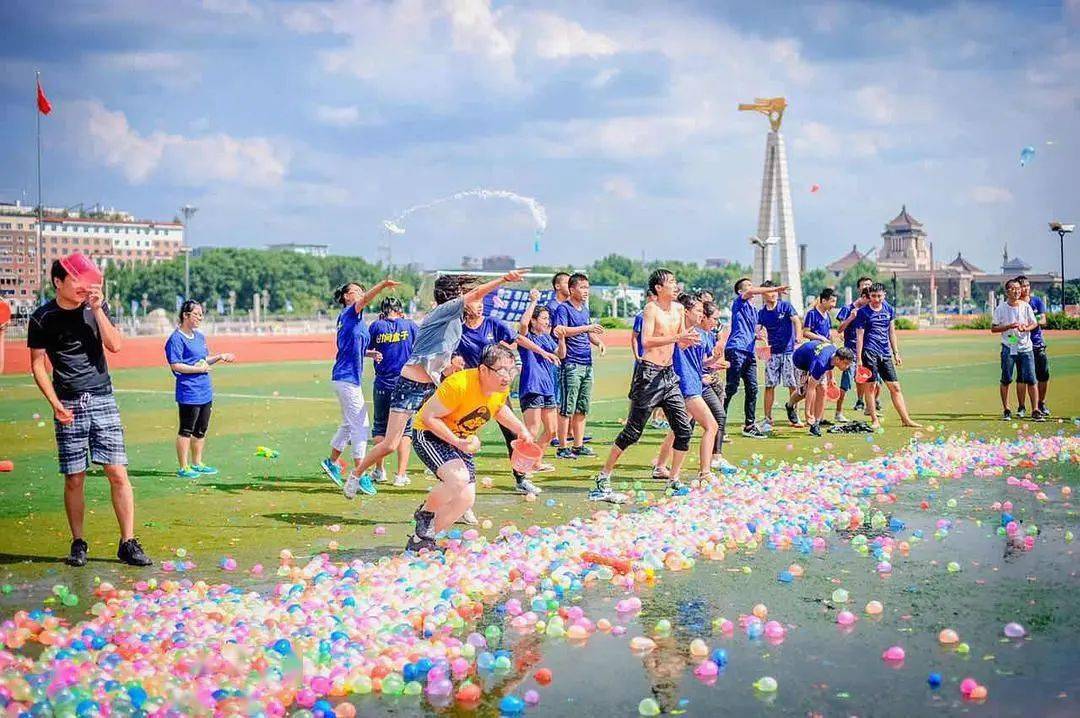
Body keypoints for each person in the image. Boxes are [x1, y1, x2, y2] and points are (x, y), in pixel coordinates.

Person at [342, 269, 527, 498]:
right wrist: (504, 279)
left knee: (453, 432)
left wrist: (450, 366)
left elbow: (438, 357)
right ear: (453, 296)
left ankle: (457, 489)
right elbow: (477, 292)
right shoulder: (444, 310)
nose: (475, 301)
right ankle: (356, 475)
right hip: (410, 385)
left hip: (431, 387)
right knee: (390, 444)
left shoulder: (456, 321)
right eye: (464, 295)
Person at [28, 258, 152, 567]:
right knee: (74, 477)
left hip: (102, 397)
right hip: (68, 402)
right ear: (58, 282)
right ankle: (78, 542)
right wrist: (55, 403)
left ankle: (128, 542)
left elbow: (116, 345)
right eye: (76, 280)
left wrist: (97, 310)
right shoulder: (42, 317)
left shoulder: (96, 307)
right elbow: (37, 365)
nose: (83, 286)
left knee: (118, 472)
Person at [405, 344, 532, 552]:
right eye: (501, 370)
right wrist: (458, 442)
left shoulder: (500, 388)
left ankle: (421, 541)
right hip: (430, 433)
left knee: (465, 499)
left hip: (461, 439)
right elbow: (429, 417)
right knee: (458, 479)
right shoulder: (459, 384)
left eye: (512, 370)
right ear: (483, 370)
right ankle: (425, 513)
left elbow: (499, 410)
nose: (507, 377)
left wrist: (521, 429)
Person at [591, 269, 698, 503]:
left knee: (684, 430)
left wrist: (688, 339)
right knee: (632, 433)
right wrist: (677, 338)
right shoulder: (651, 309)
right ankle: (603, 476)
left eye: (676, 281)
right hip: (649, 376)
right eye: (671, 282)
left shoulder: (679, 309)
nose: (676, 285)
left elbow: (680, 342)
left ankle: (673, 480)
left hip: (669, 375)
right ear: (658, 288)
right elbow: (646, 341)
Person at [456, 287, 556, 499]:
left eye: (481, 301)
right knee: (462, 436)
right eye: (475, 301)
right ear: (465, 305)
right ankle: (457, 480)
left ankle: (521, 479)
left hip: (496, 390)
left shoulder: (493, 323)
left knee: (512, 432)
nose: (480, 305)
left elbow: (519, 338)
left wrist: (543, 352)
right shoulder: (458, 330)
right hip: (469, 392)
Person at [320, 279, 399, 496]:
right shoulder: (349, 313)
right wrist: (382, 285)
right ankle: (360, 474)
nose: (360, 294)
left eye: (361, 291)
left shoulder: (356, 320)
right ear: (346, 297)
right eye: (355, 291)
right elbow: (365, 300)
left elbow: (351, 347)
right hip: (345, 378)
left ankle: (332, 462)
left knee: (349, 424)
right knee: (361, 427)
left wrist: (369, 353)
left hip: (346, 378)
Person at [653, 295, 735, 480]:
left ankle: (660, 467)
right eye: (698, 311)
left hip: (695, 384)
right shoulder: (679, 333)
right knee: (711, 425)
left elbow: (700, 363)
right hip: (686, 386)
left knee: (678, 429)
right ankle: (705, 472)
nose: (701, 314)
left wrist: (714, 360)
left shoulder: (703, 335)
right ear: (686, 312)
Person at [165, 300, 235, 479]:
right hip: (189, 392)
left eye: (201, 314)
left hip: (205, 390)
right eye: (196, 314)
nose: (200, 318)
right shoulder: (176, 339)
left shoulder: (199, 337)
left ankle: (197, 463)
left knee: (201, 429)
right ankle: (184, 467)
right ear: (185, 315)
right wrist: (197, 370)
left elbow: (203, 360)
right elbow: (176, 365)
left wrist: (219, 357)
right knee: (186, 429)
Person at [723, 278, 786, 438]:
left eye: (752, 285)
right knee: (731, 388)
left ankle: (749, 425)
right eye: (748, 286)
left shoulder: (753, 310)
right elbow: (751, 292)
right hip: (736, 349)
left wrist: (757, 336)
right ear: (740, 291)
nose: (751, 288)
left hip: (749, 352)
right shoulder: (739, 302)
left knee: (752, 388)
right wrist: (775, 289)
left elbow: (749, 329)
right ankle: (718, 425)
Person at [366, 296, 418, 486]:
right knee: (405, 429)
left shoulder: (376, 326)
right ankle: (401, 475)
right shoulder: (410, 325)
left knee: (380, 427)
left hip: (382, 384)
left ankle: (379, 470)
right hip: (405, 383)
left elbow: (364, 348)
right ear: (400, 310)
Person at [854, 283, 921, 429]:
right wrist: (858, 358)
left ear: (884, 295)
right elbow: (860, 336)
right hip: (869, 352)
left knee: (895, 387)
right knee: (870, 387)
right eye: (873, 296)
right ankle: (874, 420)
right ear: (869, 296)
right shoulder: (863, 312)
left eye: (879, 296)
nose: (876, 299)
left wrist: (896, 353)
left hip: (885, 353)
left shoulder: (889, 309)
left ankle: (906, 420)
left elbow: (891, 332)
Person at [552, 273, 605, 459]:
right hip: (571, 364)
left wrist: (598, 342)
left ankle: (578, 445)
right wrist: (587, 328)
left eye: (587, 288)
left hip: (586, 363)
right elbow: (562, 331)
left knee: (582, 407)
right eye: (582, 288)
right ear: (572, 289)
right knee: (567, 407)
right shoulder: (563, 309)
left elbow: (588, 333)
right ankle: (562, 447)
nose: (586, 291)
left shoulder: (584, 309)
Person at [517, 289, 564, 477]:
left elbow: (561, 354)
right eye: (543, 318)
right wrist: (533, 301)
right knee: (532, 430)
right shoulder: (526, 336)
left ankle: (536, 463)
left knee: (552, 431)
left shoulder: (546, 337)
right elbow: (523, 324)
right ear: (534, 321)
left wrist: (562, 338)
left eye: (548, 318)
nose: (547, 321)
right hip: (532, 386)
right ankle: (521, 467)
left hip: (547, 388)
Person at [991, 278, 1041, 420]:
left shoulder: (1025, 306)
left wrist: (1026, 328)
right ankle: (1006, 409)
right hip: (1009, 346)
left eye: (1018, 289)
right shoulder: (1001, 308)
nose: (1017, 291)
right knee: (1006, 379)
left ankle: (1035, 409)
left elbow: (1034, 323)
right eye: (1013, 289)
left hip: (1025, 347)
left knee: (1031, 379)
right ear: (1007, 291)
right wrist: (1008, 326)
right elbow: (993, 328)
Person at [757, 280, 802, 427]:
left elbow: (796, 321)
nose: (774, 294)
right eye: (770, 291)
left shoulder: (786, 306)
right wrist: (758, 337)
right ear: (763, 294)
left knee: (792, 385)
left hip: (789, 352)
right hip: (772, 354)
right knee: (769, 385)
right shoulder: (761, 313)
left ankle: (794, 416)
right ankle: (767, 418)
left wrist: (798, 338)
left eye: (775, 291)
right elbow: (757, 330)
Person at [792, 340, 855, 436]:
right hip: (800, 361)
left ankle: (816, 423)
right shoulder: (821, 364)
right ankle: (790, 405)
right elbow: (811, 388)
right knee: (803, 393)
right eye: (846, 363)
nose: (847, 367)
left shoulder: (834, 353)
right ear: (838, 360)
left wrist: (831, 377)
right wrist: (807, 413)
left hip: (814, 357)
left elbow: (830, 364)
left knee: (823, 389)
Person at [835, 277, 874, 419]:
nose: (871, 303)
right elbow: (839, 329)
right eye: (869, 300)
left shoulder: (868, 309)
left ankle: (870, 408)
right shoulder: (847, 309)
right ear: (863, 297)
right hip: (850, 351)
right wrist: (851, 318)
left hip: (866, 350)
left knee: (872, 381)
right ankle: (838, 412)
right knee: (846, 383)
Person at [1016, 275, 1050, 417]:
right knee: (1022, 377)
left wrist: (1030, 323)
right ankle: (1021, 407)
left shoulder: (1036, 301)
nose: (1026, 288)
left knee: (1043, 375)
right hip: (1021, 345)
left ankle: (1041, 403)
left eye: (1027, 285)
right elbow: (1010, 328)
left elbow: (1043, 320)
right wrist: (1012, 343)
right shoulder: (1014, 305)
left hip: (1037, 343)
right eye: (1023, 286)